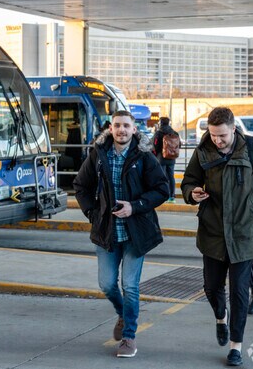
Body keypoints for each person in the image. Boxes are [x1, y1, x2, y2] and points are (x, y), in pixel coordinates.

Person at [181, 107, 253, 366]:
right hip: (212, 233)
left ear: (233, 129)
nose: (217, 140)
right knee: (212, 288)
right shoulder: (202, 152)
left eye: (222, 135)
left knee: (240, 294)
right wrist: (193, 193)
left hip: (244, 233)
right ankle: (220, 317)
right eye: (213, 135)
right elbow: (188, 182)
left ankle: (236, 346)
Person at [74, 110, 169, 358]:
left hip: (136, 232)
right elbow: (80, 187)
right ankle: (123, 312)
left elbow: (162, 189)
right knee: (106, 284)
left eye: (126, 125)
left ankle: (129, 336)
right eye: (117, 125)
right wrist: (93, 215)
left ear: (134, 129)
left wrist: (134, 206)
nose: (121, 130)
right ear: (111, 128)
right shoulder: (98, 154)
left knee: (130, 285)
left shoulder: (144, 156)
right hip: (107, 231)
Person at [152, 117, 178, 203]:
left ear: (160, 123)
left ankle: (164, 195)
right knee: (171, 177)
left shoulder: (158, 133)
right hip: (171, 158)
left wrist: (155, 155)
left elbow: (155, 146)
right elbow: (178, 145)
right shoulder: (175, 133)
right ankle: (172, 196)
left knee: (162, 177)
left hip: (161, 158)